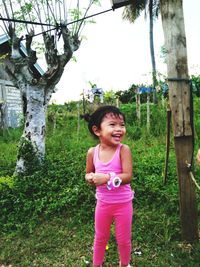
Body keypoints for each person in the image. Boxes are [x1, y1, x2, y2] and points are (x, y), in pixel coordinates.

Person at [85, 105, 134, 267]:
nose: (119, 129)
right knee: (100, 237)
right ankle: (96, 264)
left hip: (123, 204)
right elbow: (88, 172)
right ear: (97, 130)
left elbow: (127, 176)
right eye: (112, 125)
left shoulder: (123, 150)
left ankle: (124, 264)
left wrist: (106, 178)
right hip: (103, 203)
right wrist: (90, 177)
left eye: (122, 125)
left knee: (123, 239)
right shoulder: (92, 152)